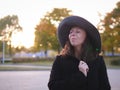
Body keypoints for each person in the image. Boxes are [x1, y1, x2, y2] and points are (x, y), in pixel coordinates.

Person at [48, 16, 111, 90]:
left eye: (78, 32)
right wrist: (80, 75)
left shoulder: (97, 60)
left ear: (86, 36)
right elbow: (53, 86)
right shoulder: (60, 60)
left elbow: (105, 87)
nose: (72, 34)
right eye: (71, 32)